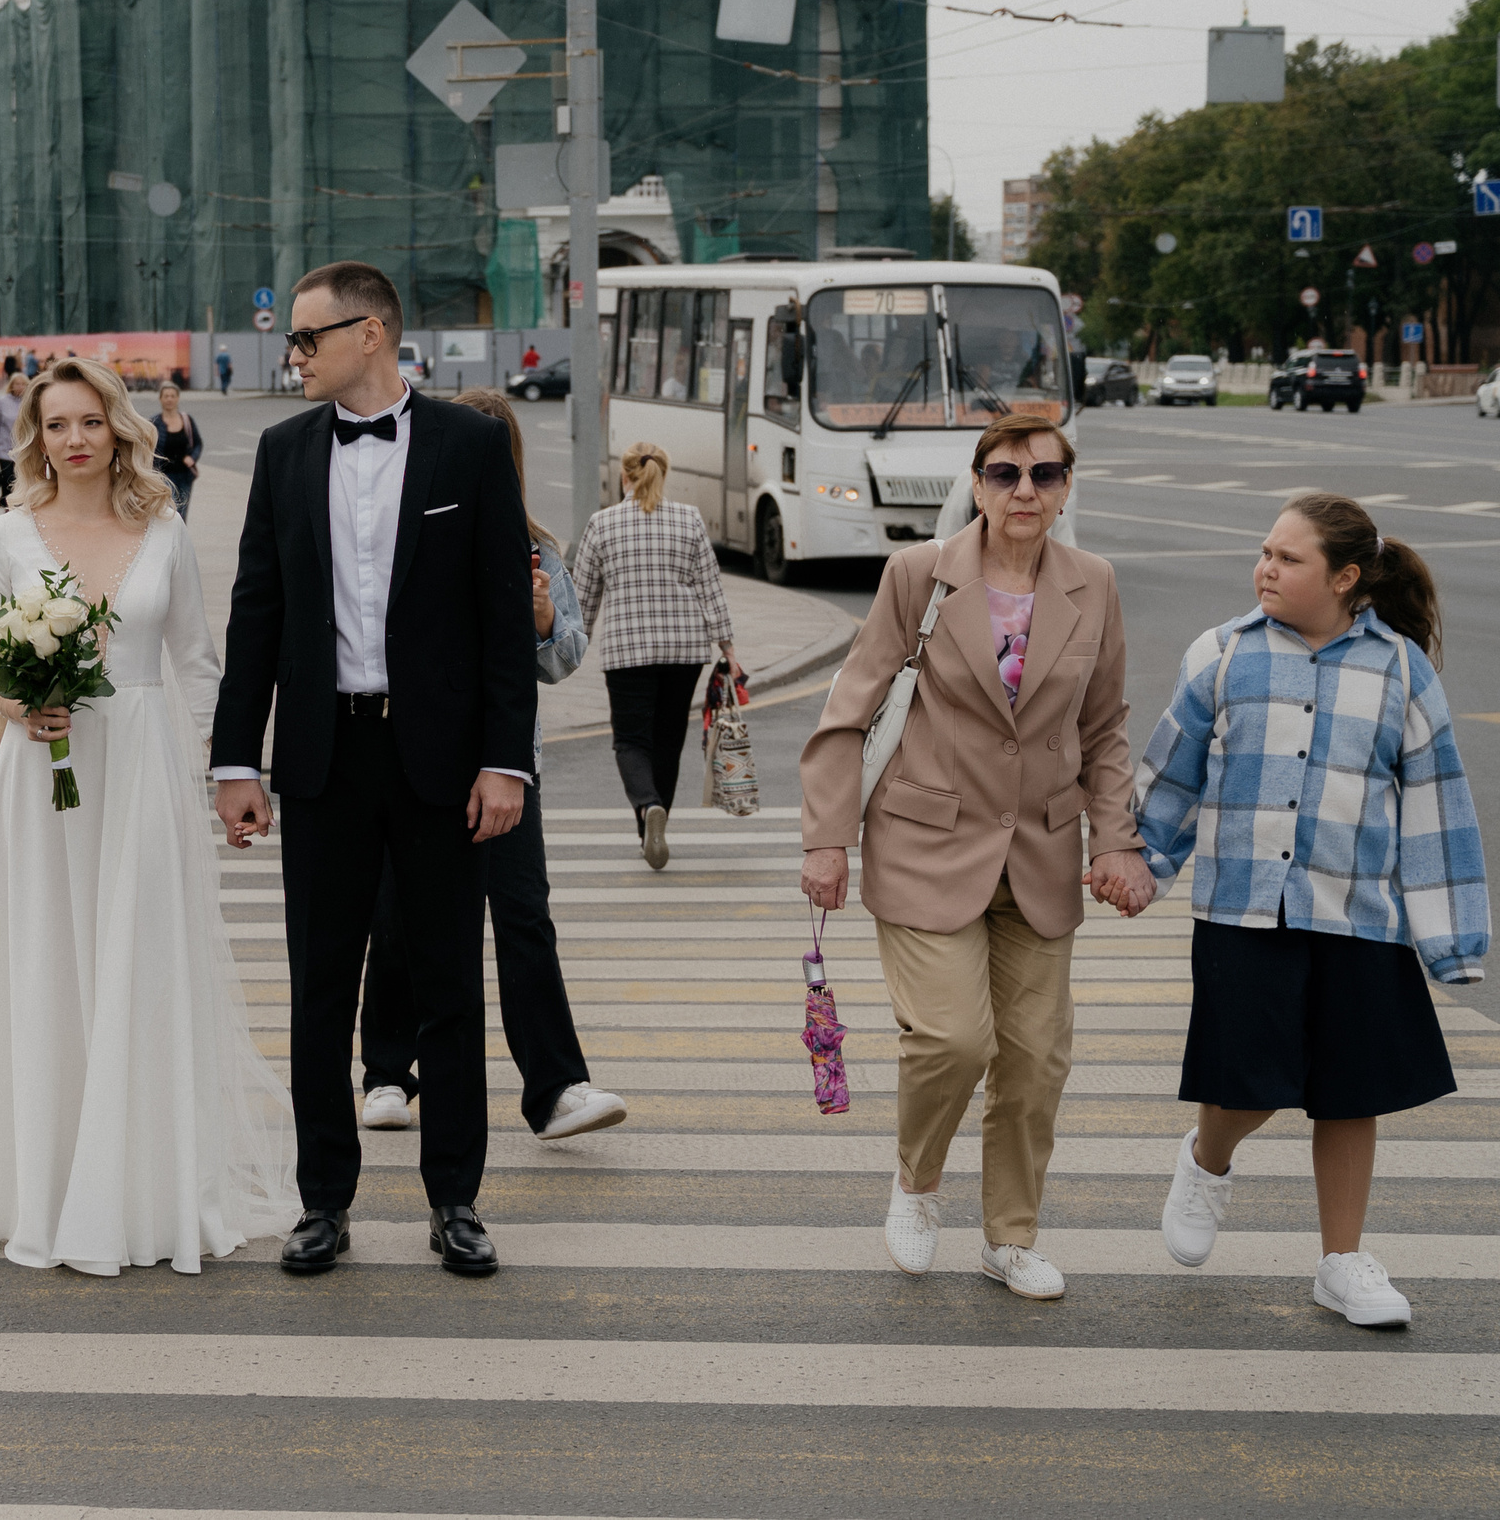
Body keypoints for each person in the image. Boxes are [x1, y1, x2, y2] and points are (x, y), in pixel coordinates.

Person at [213, 260, 535, 1279]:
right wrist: (233, 758)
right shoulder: (281, 451)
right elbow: (254, 611)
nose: (292, 355)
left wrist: (505, 761)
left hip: (440, 760)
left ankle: (455, 1198)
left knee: (447, 983)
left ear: (372, 334)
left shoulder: (471, 446)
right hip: (323, 756)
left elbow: (500, 624)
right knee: (320, 985)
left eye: (306, 338)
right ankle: (324, 1199)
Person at [798, 411, 1154, 1302]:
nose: (1024, 492)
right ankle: (917, 1186)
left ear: (1067, 485)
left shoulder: (1095, 583)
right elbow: (852, 705)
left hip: (1039, 850)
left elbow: (1104, 727)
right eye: (1005, 475)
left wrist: (1115, 837)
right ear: (979, 483)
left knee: (1036, 1060)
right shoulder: (918, 575)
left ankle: (1010, 1236)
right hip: (926, 843)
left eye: (1044, 475)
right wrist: (827, 839)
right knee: (955, 1040)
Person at [0, 357, 297, 1274]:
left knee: (142, 965)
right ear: (37, 435)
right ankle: (53, 1189)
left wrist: (209, 774)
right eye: (56, 424)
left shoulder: (165, 531)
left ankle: (147, 1196)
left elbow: (196, 660)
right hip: (45, 777)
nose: (73, 440)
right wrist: (22, 704)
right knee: (51, 965)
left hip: (144, 766)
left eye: (90, 423)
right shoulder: (10, 535)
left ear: (119, 429)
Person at [1134, 494, 1485, 1328]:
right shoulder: (1222, 655)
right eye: (1264, 552)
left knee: (1348, 1092)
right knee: (1244, 1084)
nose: (1266, 568)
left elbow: (1438, 807)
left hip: (1355, 916)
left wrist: (1451, 942)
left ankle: (1341, 1263)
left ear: (1347, 577)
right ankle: (1207, 1161)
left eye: (1288, 559)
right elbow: (1171, 776)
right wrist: (1141, 862)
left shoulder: (1400, 669)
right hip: (1242, 911)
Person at [357, 389, 625, 1143]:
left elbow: (564, 657)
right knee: (400, 919)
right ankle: (386, 1075)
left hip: (507, 769)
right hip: (412, 763)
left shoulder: (535, 547)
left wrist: (541, 622)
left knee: (522, 919)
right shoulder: (401, 534)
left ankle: (556, 1088)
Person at [568, 442, 742, 869]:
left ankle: (647, 809)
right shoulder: (689, 519)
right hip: (684, 650)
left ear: (625, 475)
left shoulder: (602, 523)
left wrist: (571, 646)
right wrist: (728, 648)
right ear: (664, 472)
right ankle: (655, 817)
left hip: (627, 650)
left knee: (631, 741)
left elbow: (583, 599)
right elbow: (710, 588)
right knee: (668, 740)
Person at [149, 380, 202, 518]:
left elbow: (197, 443)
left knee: (182, 512)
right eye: (166, 396)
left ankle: (180, 539)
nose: (169, 399)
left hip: (185, 475)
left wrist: (193, 457)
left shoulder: (186, 420)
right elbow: (147, 448)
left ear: (178, 398)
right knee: (170, 512)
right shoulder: (154, 423)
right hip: (164, 475)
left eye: (172, 396)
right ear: (160, 399)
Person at [0, 372, 28, 509]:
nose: (20, 387)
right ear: (11, 386)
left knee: (20, 480)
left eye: (23, 384)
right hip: (5, 447)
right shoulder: (3, 401)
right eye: (17, 384)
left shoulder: (29, 401)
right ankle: (8, 508)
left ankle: (19, 506)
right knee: (8, 479)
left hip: (23, 447)